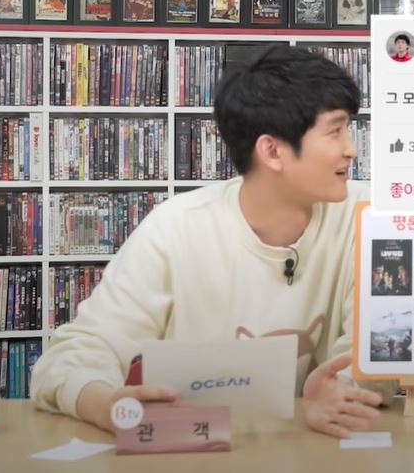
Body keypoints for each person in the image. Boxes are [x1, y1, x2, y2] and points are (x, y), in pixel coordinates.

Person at [29, 45, 387, 439]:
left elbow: (377, 346)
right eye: (335, 131)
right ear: (272, 151)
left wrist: (341, 390)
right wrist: (108, 406)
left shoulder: (370, 218)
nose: (351, 149)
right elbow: (75, 353)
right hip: (194, 448)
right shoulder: (175, 228)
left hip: (316, 450)